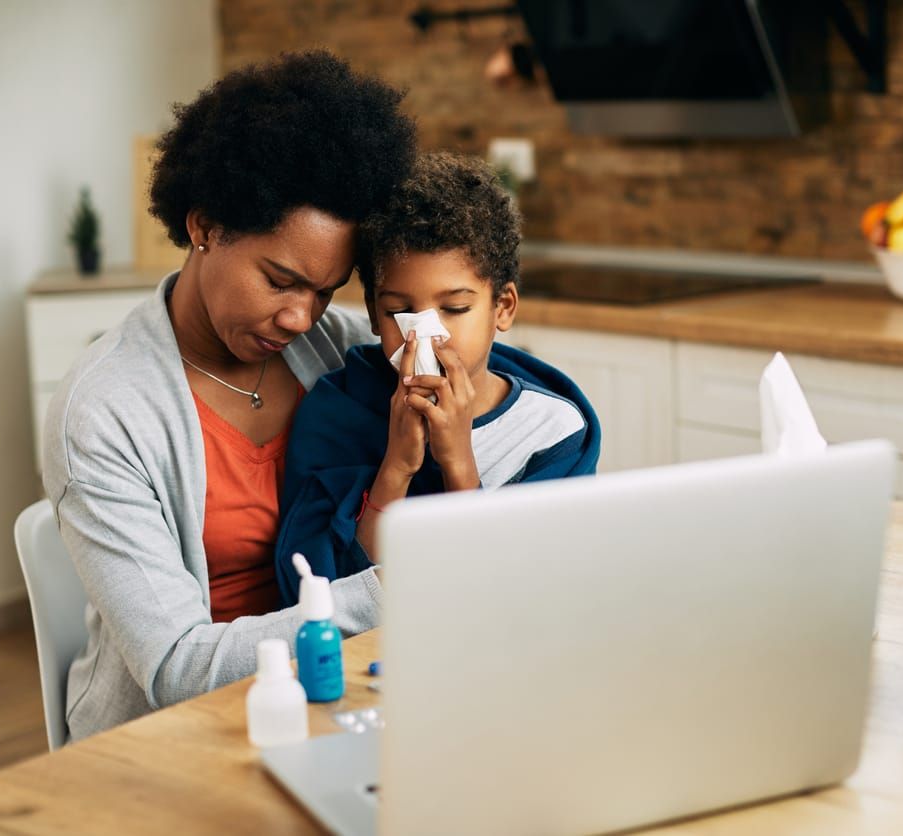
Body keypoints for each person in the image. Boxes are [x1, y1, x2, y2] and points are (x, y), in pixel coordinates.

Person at [42, 51, 417, 741]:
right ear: (206, 225)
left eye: (326, 290)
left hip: (343, 694)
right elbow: (175, 668)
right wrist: (399, 588)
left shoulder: (336, 349)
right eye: (280, 280)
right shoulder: (104, 411)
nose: (303, 318)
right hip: (173, 736)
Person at [273, 152, 601, 603]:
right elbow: (319, 595)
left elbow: (527, 592)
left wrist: (458, 462)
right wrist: (398, 466)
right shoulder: (338, 412)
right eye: (399, 312)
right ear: (372, 313)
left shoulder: (551, 432)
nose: (425, 336)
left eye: (455, 308)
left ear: (502, 307)